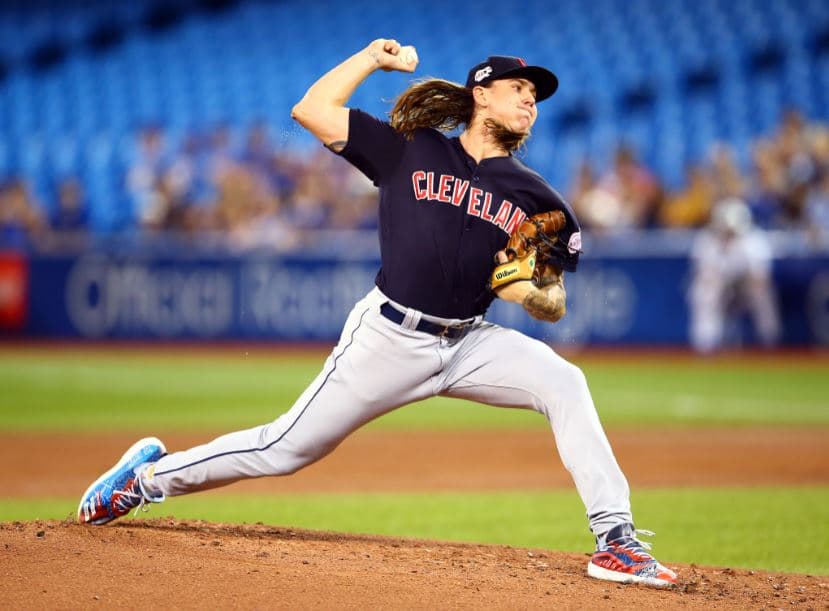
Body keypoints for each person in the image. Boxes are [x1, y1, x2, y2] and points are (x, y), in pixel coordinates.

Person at [77, 39, 677, 588]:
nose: (530, 100)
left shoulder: (539, 198)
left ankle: (615, 540)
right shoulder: (411, 149)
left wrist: (528, 293)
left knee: (563, 381)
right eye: (519, 88)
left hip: (469, 344)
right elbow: (311, 110)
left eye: (536, 96)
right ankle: (146, 480)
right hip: (389, 336)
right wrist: (369, 59)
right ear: (480, 94)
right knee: (285, 448)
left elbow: (553, 298)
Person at [688, 197, 781, 353]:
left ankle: (770, 343)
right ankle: (705, 346)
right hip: (720, 285)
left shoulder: (754, 240)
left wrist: (741, 284)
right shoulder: (707, 240)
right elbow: (704, 274)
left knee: (762, 294)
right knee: (703, 292)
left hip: (745, 287)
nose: (729, 234)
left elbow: (760, 278)